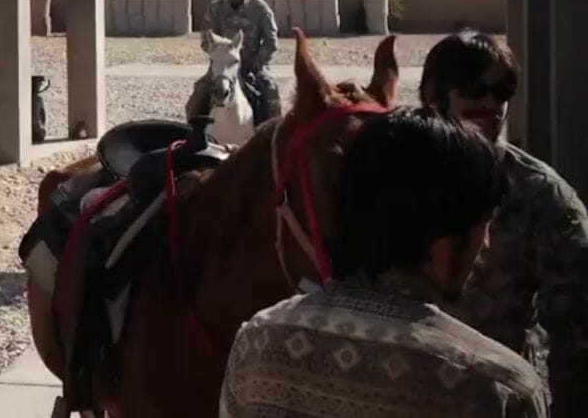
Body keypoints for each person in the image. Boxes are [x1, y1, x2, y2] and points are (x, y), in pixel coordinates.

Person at [220, 108, 547, 418]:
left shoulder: (257, 342)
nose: (485, 244)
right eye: (482, 225)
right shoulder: (497, 386)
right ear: (444, 236)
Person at [419, 29, 588, 417]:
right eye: (474, 89)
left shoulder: (541, 196)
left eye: (501, 92)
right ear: (431, 94)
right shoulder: (393, 176)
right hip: (397, 388)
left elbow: (575, 333)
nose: (491, 104)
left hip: (491, 396)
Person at [184, 0, 280, 124]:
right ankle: (196, 136)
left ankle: (272, 138)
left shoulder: (259, 8)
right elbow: (206, 40)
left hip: (253, 68)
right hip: (223, 67)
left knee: (270, 94)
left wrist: (256, 62)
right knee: (198, 95)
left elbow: (271, 42)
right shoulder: (216, 8)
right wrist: (220, 56)